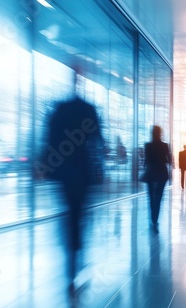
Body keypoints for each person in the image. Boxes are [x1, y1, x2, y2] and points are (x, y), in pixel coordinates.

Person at [39, 70, 104, 291]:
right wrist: (98, 170)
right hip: (82, 170)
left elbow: (49, 138)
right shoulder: (88, 109)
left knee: (71, 210)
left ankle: (72, 253)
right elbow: (98, 142)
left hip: (64, 169)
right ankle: (76, 251)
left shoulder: (60, 110)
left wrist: (46, 165)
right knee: (78, 211)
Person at [143, 125, 171, 231]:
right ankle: (155, 219)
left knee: (150, 197)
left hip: (150, 172)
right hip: (161, 172)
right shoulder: (164, 145)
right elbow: (167, 159)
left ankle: (153, 218)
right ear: (160, 133)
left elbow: (147, 159)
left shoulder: (148, 145)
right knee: (159, 197)